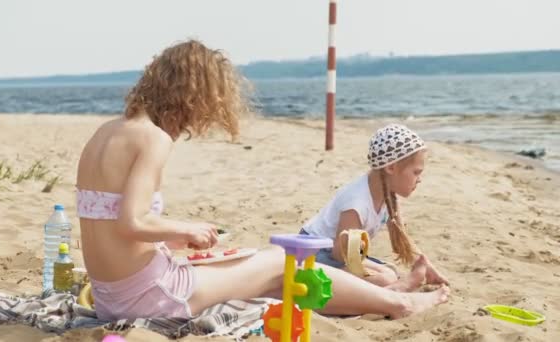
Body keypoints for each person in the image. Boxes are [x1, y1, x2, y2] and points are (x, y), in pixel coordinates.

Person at [75, 39, 450, 322]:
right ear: (191, 96)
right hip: (151, 296)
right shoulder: (152, 138)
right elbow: (134, 221)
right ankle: (399, 302)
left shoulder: (106, 133)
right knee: (284, 264)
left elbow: (109, 223)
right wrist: (188, 226)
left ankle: (388, 295)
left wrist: (175, 238)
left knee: (269, 269)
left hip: (112, 296)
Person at [299, 124, 450, 291]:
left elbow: (402, 241)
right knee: (385, 279)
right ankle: (395, 290)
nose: (419, 179)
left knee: (390, 272)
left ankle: (391, 287)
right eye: (416, 172)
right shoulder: (356, 203)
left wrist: (425, 265)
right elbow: (339, 256)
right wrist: (360, 259)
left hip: (340, 256)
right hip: (315, 254)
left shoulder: (388, 195)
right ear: (391, 167)